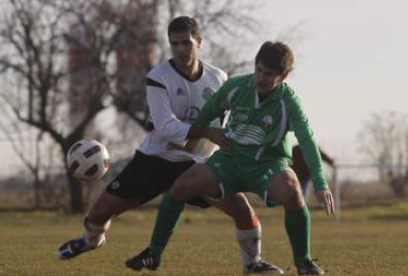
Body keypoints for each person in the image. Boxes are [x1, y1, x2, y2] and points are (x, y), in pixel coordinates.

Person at [57, 16, 282, 275]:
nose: (180, 50)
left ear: (199, 42)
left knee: (243, 211)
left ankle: (252, 264)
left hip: (200, 163)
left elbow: (230, 119)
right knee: (97, 216)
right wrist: (207, 131)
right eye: (174, 44)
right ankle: (90, 241)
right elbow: (165, 127)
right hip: (156, 158)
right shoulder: (158, 77)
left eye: (186, 43)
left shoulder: (218, 77)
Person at [132, 41, 335, 275]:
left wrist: (320, 183)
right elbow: (209, 111)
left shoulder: (289, 103)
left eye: (268, 74)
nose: (260, 77)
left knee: (292, 192)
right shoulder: (236, 87)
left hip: (267, 164)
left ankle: (304, 262)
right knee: (180, 187)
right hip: (229, 159)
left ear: (284, 75)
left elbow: (308, 142)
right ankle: (153, 253)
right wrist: (192, 137)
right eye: (258, 70)